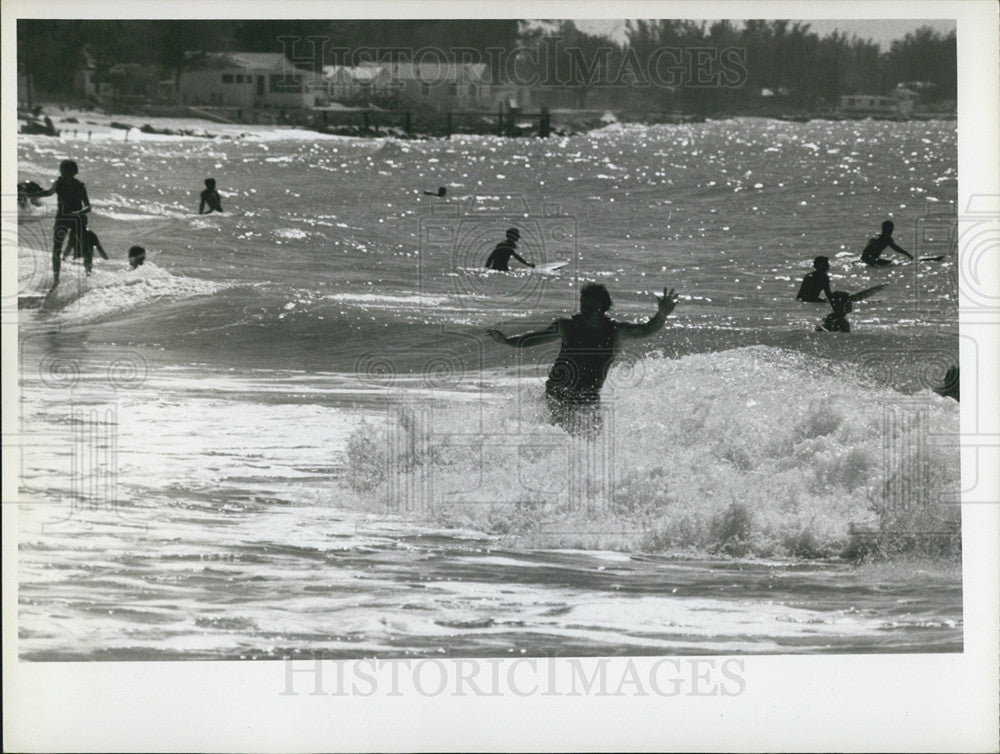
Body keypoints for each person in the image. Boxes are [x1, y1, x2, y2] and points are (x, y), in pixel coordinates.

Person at [488, 283, 679, 433]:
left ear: (603, 308)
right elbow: (535, 338)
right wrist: (508, 341)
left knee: (592, 441)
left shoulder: (616, 331)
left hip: (588, 398)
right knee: (562, 437)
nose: (585, 310)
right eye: (583, 305)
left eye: (591, 307)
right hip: (558, 394)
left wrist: (661, 315)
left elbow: (646, 330)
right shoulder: (567, 326)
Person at [30, 159, 92, 285]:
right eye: (61, 169)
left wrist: (79, 212)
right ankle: (56, 280)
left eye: (64, 169)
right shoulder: (58, 183)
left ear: (72, 172)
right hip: (61, 219)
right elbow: (48, 192)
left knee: (85, 249)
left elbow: (88, 207)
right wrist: (32, 194)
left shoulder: (80, 186)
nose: (61, 172)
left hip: (77, 219)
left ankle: (89, 277)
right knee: (56, 249)